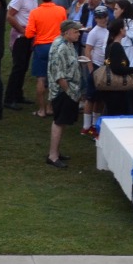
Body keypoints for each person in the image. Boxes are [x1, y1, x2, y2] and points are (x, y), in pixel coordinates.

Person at [45, 18, 86, 168]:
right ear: (66, 32)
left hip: (68, 90)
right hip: (63, 92)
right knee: (59, 122)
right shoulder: (60, 48)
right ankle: (53, 156)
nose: (78, 35)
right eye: (76, 32)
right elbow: (59, 76)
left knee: (62, 122)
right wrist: (70, 92)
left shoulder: (68, 43)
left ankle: (56, 151)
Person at [26, 0, 69, 117]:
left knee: (41, 78)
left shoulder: (35, 13)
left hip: (41, 48)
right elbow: (65, 28)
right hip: (57, 47)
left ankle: (41, 109)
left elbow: (29, 34)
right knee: (55, 78)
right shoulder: (61, 10)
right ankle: (50, 107)